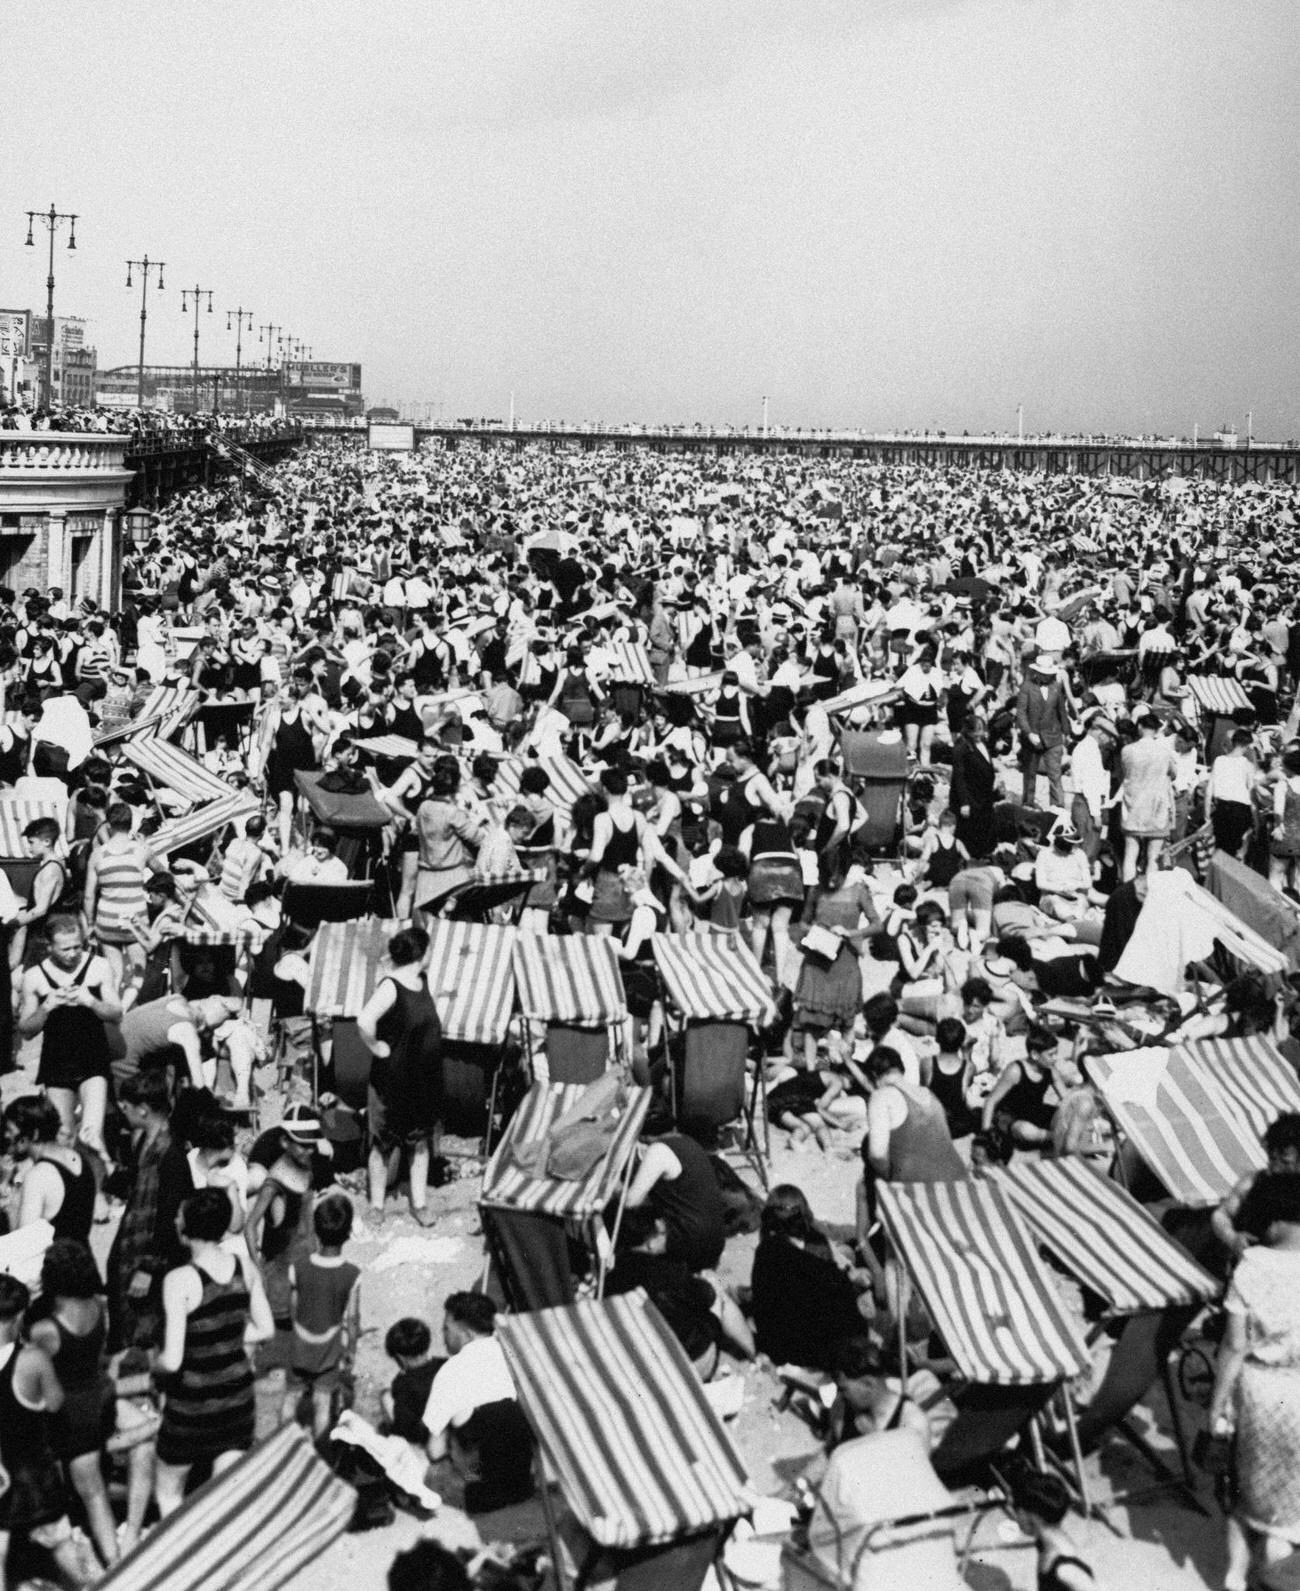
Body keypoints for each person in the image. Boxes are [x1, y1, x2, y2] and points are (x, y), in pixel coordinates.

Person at [153, 1187, 275, 1517]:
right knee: (226, 1501)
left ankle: (180, 1561)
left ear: (188, 1225)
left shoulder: (178, 1280)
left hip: (191, 1408)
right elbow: (265, 1329)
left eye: (179, 1214)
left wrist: (155, 1366)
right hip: (236, 1402)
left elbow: (173, 1359)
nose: (175, 1218)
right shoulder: (244, 1267)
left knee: (168, 1496)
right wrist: (227, 1332)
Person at [1210, 1171, 1300, 1590]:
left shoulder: (1254, 1265)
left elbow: (1233, 1346)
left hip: (1260, 1393)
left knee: (1244, 1497)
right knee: (1291, 1510)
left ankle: (1234, 1579)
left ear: (1277, 1222)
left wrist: (1216, 1406)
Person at [26, 1240, 133, 1569]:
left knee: (72, 1492)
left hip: (64, 1414)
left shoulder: (47, 1330)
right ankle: (114, 1559)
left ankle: (90, 1566)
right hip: (94, 1403)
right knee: (95, 1491)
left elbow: (30, 1376)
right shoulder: (98, 1308)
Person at [0, 1272, 90, 1590]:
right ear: (20, 1315)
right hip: (34, 1477)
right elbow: (55, 1404)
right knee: (64, 1550)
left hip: (1, 1475)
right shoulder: (31, 1359)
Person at [357, 925, 443, 1226]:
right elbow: (365, 1019)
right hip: (391, 1083)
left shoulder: (422, 980)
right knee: (383, 1145)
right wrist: (376, 1046)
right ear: (422, 953)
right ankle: (377, 1206)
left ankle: (419, 1204)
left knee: (419, 1144)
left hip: (421, 1082)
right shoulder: (391, 986)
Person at [17, 914, 121, 1160]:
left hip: (93, 1058)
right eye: (65, 949)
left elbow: (116, 1012)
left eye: (78, 946)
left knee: (92, 1132)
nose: (73, 953)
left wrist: (91, 1001)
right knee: (62, 1135)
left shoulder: (98, 966)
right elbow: (26, 1029)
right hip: (57, 1061)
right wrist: (46, 1007)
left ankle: (99, 1187)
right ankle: (69, 1189)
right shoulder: (34, 977)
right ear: (50, 946)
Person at [421, 1292, 534, 1514]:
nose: (443, 1336)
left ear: (465, 1333)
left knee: (427, 1462)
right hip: (524, 1485)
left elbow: (435, 1451)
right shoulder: (516, 1354)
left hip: (481, 1492)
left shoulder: (452, 1370)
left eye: (447, 1329)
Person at [749, 1185, 868, 1371]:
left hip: (791, 1347)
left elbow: (764, 1299)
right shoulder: (818, 1242)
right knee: (846, 1252)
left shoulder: (768, 1251)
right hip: (833, 1341)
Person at [284, 1194, 361, 1440]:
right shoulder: (352, 1275)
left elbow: (293, 1308)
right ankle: (322, 1456)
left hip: (300, 1346)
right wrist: (351, 1350)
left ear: (316, 1230)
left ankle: (279, 1446)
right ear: (348, 1233)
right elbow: (352, 1320)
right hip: (329, 1351)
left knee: (291, 1397)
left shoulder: (298, 1268)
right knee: (322, 1402)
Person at [2, 1093, 98, 1247]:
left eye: (11, 1132)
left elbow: (23, 1247)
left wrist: (11, 1210)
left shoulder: (39, 1176)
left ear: (34, 1134)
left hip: (53, 1268)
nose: (7, 1138)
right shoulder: (77, 1158)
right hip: (82, 1263)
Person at [625, 1131, 727, 1273]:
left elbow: (630, 1201)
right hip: (715, 1238)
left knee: (628, 1256)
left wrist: (617, 1190)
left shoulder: (658, 1151)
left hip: (691, 1240)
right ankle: (717, 1282)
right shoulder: (685, 1141)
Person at [1118, 712, 1177, 879]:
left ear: (1139, 727)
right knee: (1153, 859)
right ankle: (1149, 895)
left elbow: (1125, 773)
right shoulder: (1165, 752)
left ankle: (1127, 894)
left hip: (1133, 807)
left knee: (1130, 855)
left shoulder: (1127, 751)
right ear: (1157, 730)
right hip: (1156, 809)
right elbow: (1174, 774)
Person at [382, 1317, 443, 1444]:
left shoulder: (403, 1383)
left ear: (400, 1358)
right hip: (445, 1433)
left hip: (423, 1440)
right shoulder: (443, 1364)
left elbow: (402, 1424)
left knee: (385, 1396)